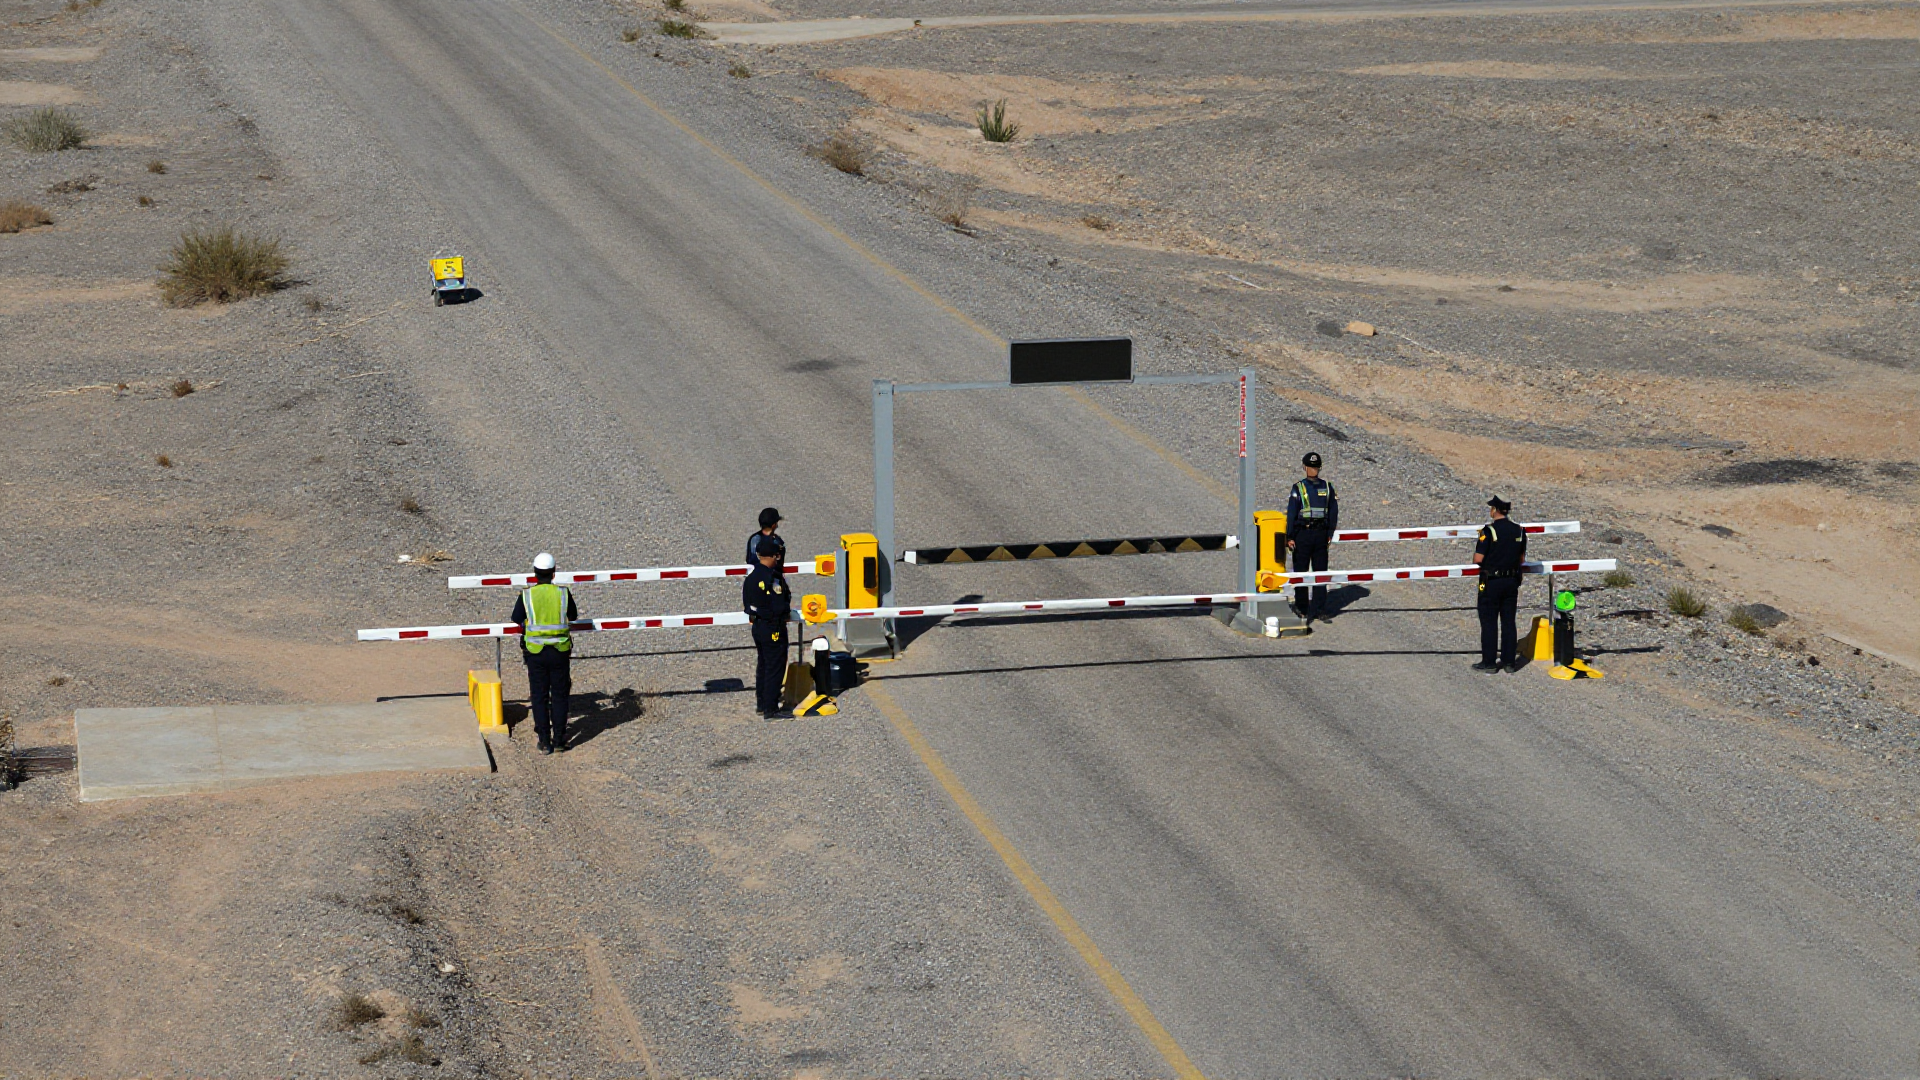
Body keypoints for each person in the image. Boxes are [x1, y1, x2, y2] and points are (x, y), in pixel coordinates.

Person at [511, 552, 579, 753]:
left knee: (539, 696)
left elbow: (516, 617)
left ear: (535, 573)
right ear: (553, 573)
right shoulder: (562, 593)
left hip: (535, 651)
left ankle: (544, 740)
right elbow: (573, 616)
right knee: (559, 695)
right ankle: (559, 740)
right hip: (560, 650)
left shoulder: (527, 595)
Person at [1473, 496, 1528, 673]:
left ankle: (1489, 662)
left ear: (1494, 510)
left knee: (1488, 621)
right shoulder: (1519, 531)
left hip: (1491, 582)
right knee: (1508, 621)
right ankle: (1509, 662)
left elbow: (1478, 559)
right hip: (1511, 582)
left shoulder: (1488, 531)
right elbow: (1521, 558)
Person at [1285, 451, 1340, 622]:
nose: (1313, 470)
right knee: (1300, 572)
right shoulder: (1299, 488)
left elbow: (1333, 511)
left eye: (1315, 468)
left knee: (1320, 573)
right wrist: (1290, 536)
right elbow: (1292, 513)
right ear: (1304, 467)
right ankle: (1302, 607)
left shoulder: (1327, 487)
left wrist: (1330, 533)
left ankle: (1319, 608)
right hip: (1302, 534)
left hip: (1320, 535)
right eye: (1310, 467)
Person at [742, 534, 792, 719]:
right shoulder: (773, 578)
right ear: (774, 556)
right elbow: (780, 605)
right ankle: (771, 708)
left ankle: (762, 703)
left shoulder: (751, 577)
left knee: (763, 664)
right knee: (775, 665)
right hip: (773, 627)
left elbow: (747, 605)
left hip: (758, 626)